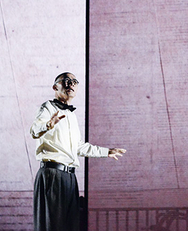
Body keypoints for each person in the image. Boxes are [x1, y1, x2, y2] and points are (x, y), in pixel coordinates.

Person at [30, 72, 126, 231]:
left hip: (69, 177)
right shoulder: (48, 107)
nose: (71, 84)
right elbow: (34, 131)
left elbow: (79, 147)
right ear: (55, 87)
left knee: (71, 226)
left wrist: (106, 152)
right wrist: (48, 125)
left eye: (74, 81)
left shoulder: (71, 115)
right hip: (52, 175)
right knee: (52, 226)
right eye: (66, 81)